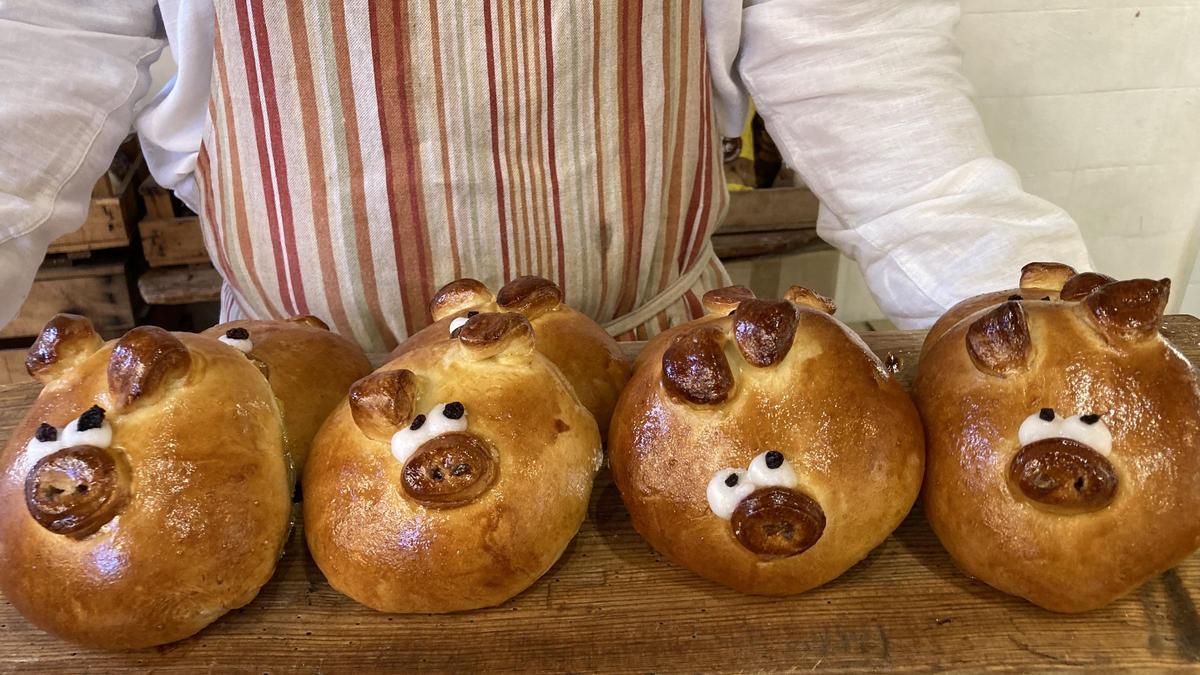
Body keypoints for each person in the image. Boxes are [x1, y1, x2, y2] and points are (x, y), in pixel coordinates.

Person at [0, 1, 1091, 352]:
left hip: (663, 395)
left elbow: (856, 53)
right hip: (291, 400)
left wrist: (1030, 339)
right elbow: (44, 42)